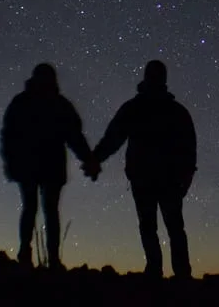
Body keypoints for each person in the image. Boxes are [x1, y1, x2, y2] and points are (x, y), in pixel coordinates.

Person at [84, 60, 197, 278]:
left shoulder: (135, 108)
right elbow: (189, 147)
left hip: (145, 177)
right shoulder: (176, 111)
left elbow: (113, 138)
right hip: (167, 179)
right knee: (172, 227)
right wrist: (187, 174)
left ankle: (156, 271)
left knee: (150, 226)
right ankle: (181, 275)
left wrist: (95, 158)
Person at [0, 62, 93, 269]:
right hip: (48, 166)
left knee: (33, 208)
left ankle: (29, 254)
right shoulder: (59, 104)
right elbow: (75, 137)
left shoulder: (23, 101)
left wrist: (10, 161)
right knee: (48, 210)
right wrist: (88, 160)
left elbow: (8, 135)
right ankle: (49, 258)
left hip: (31, 165)